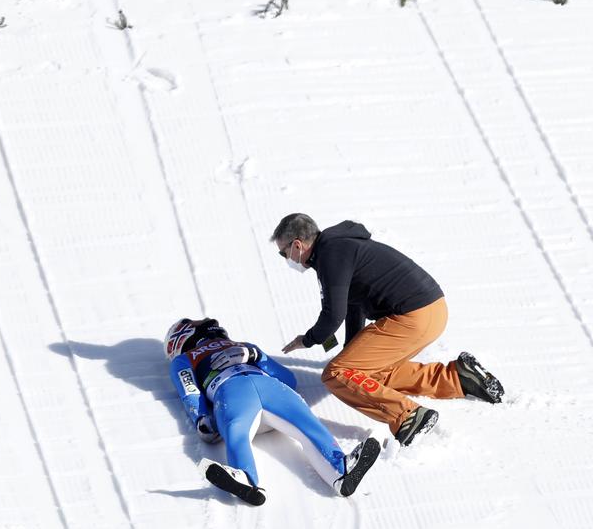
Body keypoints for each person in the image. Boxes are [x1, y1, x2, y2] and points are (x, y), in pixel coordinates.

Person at [272, 213, 505, 446]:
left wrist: (309, 339)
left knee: (337, 373)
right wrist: (350, 350)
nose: (286, 259)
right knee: (365, 372)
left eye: (284, 253)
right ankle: (457, 378)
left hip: (412, 316)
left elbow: (333, 315)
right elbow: (354, 305)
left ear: (297, 245)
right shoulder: (340, 246)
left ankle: (407, 416)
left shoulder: (331, 254)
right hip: (433, 310)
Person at [166, 317, 381, 506]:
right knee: (240, 430)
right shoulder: (188, 358)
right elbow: (190, 390)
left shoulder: (240, 346)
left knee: (298, 422)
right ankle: (246, 478)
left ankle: (341, 473)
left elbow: (288, 379)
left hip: (248, 390)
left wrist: (255, 355)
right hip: (236, 390)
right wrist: (201, 417)